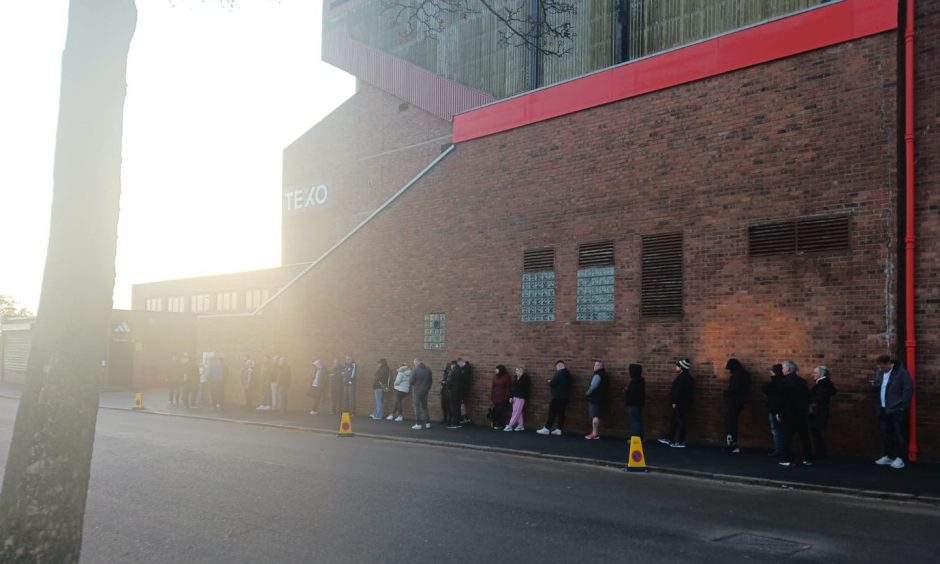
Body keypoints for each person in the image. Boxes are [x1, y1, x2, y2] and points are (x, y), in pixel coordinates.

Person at [872, 354, 914, 469]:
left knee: (899, 434)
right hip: (883, 408)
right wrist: (875, 385)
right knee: (886, 433)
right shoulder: (880, 373)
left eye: (882, 367)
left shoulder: (901, 373)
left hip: (897, 409)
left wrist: (903, 406)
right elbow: (878, 385)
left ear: (888, 364)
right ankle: (888, 456)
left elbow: (908, 388)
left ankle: (900, 458)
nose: (880, 369)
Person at [776, 360, 812, 467]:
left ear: (788, 369)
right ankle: (807, 458)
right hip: (801, 413)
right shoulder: (802, 381)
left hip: (788, 413)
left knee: (787, 437)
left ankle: (787, 459)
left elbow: (781, 399)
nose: (782, 370)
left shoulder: (783, 382)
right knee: (804, 437)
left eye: (783, 368)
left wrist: (779, 412)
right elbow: (807, 397)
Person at [659, 359, 693, 448]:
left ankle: (680, 441)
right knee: (674, 421)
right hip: (682, 403)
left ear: (681, 367)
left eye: (677, 366)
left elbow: (679, 391)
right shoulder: (686, 377)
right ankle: (668, 438)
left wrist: (675, 401)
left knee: (681, 421)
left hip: (680, 404)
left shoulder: (682, 378)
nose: (676, 367)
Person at [808, 365, 837, 459]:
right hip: (822, 412)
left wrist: (811, 403)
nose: (813, 375)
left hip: (817, 412)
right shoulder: (826, 383)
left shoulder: (820, 385)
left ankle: (819, 453)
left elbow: (819, 399)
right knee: (817, 433)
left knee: (815, 433)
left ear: (821, 374)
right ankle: (820, 452)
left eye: (815, 373)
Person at [723, 358, 751, 453]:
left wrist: (726, 393)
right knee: (732, 421)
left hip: (734, 401)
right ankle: (732, 443)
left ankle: (731, 444)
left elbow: (734, 389)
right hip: (740, 400)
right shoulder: (744, 374)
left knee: (731, 422)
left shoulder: (737, 375)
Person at [537, 360, 571, 436]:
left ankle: (546, 428)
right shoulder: (568, 374)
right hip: (565, 397)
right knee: (561, 414)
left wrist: (550, 381)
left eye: (557, 367)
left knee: (552, 413)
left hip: (557, 397)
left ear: (559, 365)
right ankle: (559, 429)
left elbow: (553, 383)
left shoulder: (559, 373)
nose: (556, 369)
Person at [761, 364, 786, 455]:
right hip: (784, 409)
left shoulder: (774, 384)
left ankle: (779, 449)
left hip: (774, 409)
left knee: (776, 430)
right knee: (783, 430)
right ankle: (784, 449)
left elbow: (765, 389)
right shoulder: (786, 382)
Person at [584, 359, 609, 440]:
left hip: (595, 398)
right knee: (597, 415)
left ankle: (594, 433)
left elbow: (593, 386)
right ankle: (595, 433)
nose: (594, 366)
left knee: (595, 416)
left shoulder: (597, 375)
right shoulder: (605, 375)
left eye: (596, 365)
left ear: (600, 366)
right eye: (594, 365)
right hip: (602, 398)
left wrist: (587, 393)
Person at [504, 366, 531, 432]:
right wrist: (511, 397)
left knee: (515, 412)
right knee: (518, 412)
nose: (516, 372)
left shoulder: (525, 379)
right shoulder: (516, 378)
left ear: (522, 371)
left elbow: (525, 389)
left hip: (521, 398)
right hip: (514, 397)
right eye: (516, 370)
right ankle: (521, 426)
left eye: (518, 370)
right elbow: (512, 389)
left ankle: (510, 425)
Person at [623, 363, 645, 442]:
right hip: (638, 404)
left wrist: (626, 391)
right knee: (638, 421)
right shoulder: (640, 380)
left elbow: (632, 394)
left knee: (635, 421)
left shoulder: (635, 381)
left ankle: (637, 439)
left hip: (633, 404)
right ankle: (641, 438)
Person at [410, 358, 432, 429]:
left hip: (416, 391)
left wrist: (414, 385)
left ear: (416, 363)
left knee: (417, 407)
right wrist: (427, 388)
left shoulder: (415, 370)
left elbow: (411, 381)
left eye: (414, 363)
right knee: (425, 407)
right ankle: (427, 423)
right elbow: (430, 381)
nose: (414, 364)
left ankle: (418, 424)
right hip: (425, 391)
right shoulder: (428, 370)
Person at [490, 364, 511, 430]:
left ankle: (499, 424)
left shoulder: (506, 377)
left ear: (500, 370)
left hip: (502, 397)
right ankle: (495, 423)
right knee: (496, 410)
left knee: (500, 411)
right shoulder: (495, 377)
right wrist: (492, 396)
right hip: (495, 396)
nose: (495, 370)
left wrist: (506, 397)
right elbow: (493, 387)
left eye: (497, 369)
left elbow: (508, 388)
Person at [453, 358, 473, 425]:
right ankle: (465, 417)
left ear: (461, 362)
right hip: (462, 389)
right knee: (462, 404)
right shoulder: (465, 369)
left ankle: (465, 417)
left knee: (461, 403)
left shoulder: (466, 369)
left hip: (464, 389)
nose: (459, 365)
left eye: (459, 364)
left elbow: (465, 379)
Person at [440, 360, 456, 425]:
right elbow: (443, 380)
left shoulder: (451, 373)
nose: (446, 368)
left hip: (448, 391)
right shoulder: (445, 373)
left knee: (448, 406)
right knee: (443, 406)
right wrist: (442, 382)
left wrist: (445, 382)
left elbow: (450, 382)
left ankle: (449, 419)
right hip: (444, 391)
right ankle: (444, 418)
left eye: (447, 367)